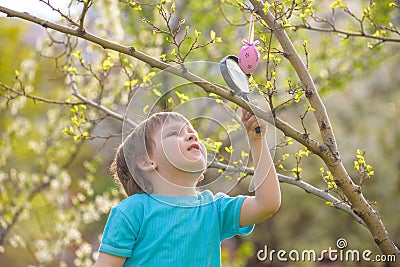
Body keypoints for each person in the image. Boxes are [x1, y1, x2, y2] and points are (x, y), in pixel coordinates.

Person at [94, 106, 281, 267]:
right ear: (146, 161)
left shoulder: (214, 209)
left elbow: (267, 203)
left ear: (200, 174)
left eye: (192, 133)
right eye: (174, 134)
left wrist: (257, 141)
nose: (191, 136)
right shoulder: (133, 211)